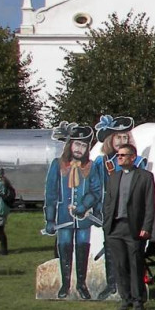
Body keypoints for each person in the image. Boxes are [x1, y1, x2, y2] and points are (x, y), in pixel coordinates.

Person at [44, 123, 102, 300]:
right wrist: (49, 219)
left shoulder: (91, 167)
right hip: (63, 217)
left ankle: (81, 284)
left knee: (83, 247)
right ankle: (66, 284)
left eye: (83, 145)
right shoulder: (57, 164)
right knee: (65, 247)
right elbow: (51, 193)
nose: (79, 149)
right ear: (70, 145)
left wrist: (84, 206)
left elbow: (96, 191)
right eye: (77, 144)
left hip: (83, 219)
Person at [93, 114, 147, 300]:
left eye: (126, 137)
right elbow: (97, 186)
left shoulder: (139, 164)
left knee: (133, 259)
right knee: (112, 253)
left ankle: (136, 296)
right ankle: (113, 284)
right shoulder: (102, 162)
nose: (122, 140)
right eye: (119, 137)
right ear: (111, 139)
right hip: (110, 215)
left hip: (130, 217)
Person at [101, 143, 155, 310]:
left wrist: (146, 226)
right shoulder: (113, 177)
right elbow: (108, 202)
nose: (119, 158)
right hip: (114, 228)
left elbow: (150, 204)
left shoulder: (145, 177)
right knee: (120, 265)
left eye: (123, 155)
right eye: (118, 155)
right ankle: (125, 299)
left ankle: (138, 301)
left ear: (133, 157)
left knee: (135, 264)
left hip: (133, 227)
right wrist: (106, 224)